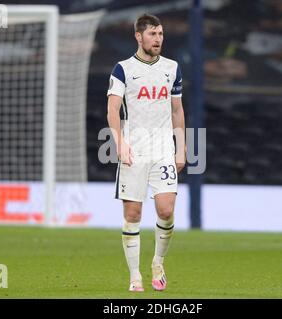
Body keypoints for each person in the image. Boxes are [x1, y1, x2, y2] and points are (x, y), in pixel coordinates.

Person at [106, 13, 186, 292]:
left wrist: (182, 147)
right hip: (134, 150)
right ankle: (134, 276)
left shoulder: (172, 68)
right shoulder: (123, 69)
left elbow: (177, 109)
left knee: (166, 210)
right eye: (152, 34)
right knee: (133, 214)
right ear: (138, 37)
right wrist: (119, 142)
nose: (158, 39)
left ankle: (158, 262)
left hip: (163, 148)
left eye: (161, 34)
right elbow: (112, 109)